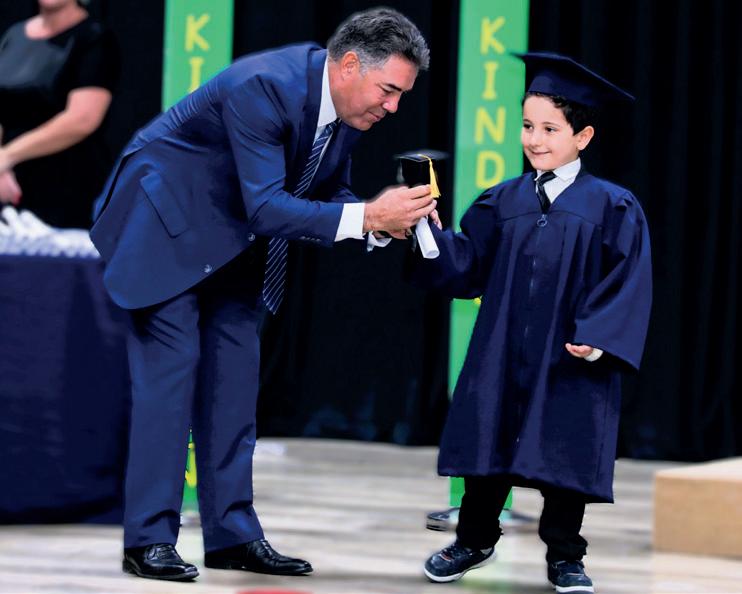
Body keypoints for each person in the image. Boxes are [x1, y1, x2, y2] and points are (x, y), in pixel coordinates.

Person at [89, 7, 434, 582]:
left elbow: (328, 190)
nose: (393, 107)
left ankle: (232, 537)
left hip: (232, 240)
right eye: (389, 91)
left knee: (233, 388)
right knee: (170, 386)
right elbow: (268, 206)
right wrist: (369, 216)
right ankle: (148, 540)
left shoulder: (350, 108)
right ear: (350, 65)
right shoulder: (265, 85)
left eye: (401, 95)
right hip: (164, 228)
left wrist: (381, 222)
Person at [415, 53, 652, 593]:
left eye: (550, 128)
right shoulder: (502, 200)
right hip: (501, 346)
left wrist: (597, 337)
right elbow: (466, 265)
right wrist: (428, 231)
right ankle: (473, 540)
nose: (535, 139)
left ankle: (565, 556)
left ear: (583, 137)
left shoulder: (612, 206)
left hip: (568, 352)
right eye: (527, 126)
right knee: (487, 442)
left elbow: (628, 279)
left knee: (564, 447)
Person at [0, 0, 119, 228]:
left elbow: (82, 119)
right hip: (10, 189)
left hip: (67, 190)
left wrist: (8, 156)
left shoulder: (95, 38)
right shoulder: (14, 34)